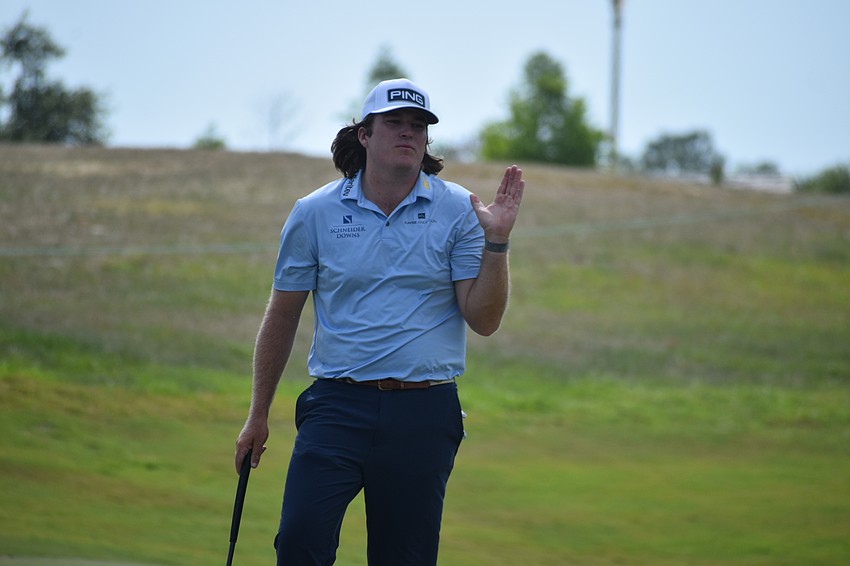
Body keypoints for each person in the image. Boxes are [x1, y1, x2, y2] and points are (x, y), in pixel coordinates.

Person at [234, 77, 525, 565]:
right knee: (300, 542)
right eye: (394, 122)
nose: (408, 132)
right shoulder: (315, 212)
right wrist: (257, 414)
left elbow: (484, 320)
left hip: (424, 411)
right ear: (364, 134)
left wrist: (497, 244)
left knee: (404, 557)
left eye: (418, 125)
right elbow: (283, 315)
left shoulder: (460, 210)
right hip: (336, 405)